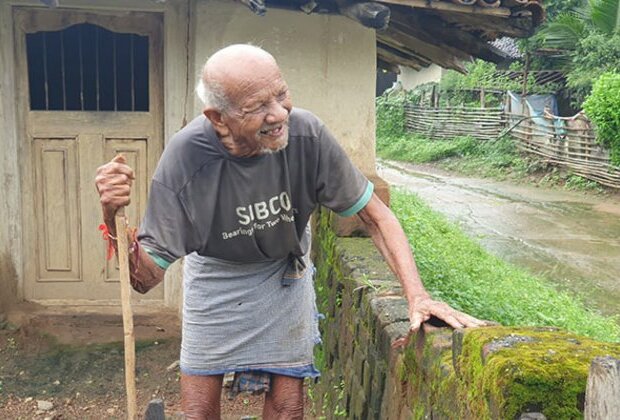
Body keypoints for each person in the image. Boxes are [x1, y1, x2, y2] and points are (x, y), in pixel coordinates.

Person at [95, 44, 486, 419]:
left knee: (289, 407)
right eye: (257, 107)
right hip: (214, 277)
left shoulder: (307, 136)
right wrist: (111, 212)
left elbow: (376, 217)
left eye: (281, 94)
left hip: (283, 273)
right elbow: (143, 279)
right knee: (198, 411)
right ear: (217, 118)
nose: (279, 113)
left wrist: (416, 296)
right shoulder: (185, 160)